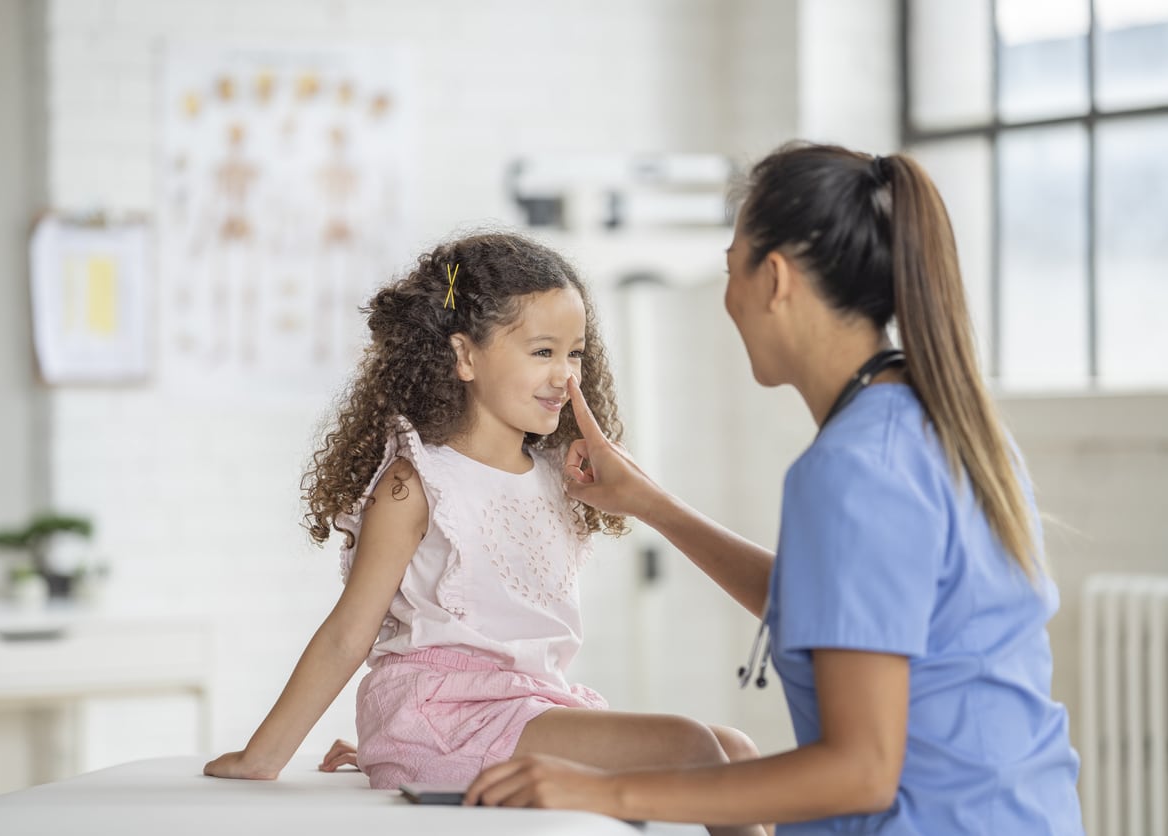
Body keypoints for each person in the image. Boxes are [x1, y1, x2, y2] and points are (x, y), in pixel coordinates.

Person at [465, 143, 1085, 834]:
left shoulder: (856, 468)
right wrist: (651, 504)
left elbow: (861, 770)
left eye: (732, 268)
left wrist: (606, 792)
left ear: (776, 279)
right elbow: (838, 606)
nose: (729, 297)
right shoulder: (943, 424)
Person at [203, 232, 768, 836]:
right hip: (441, 718)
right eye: (542, 351)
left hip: (529, 708)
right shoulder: (418, 481)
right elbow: (349, 633)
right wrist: (264, 756)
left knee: (735, 749)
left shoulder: (560, 475)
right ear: (465, 357)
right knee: (690, 746)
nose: (565, 376)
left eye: (575, 354)